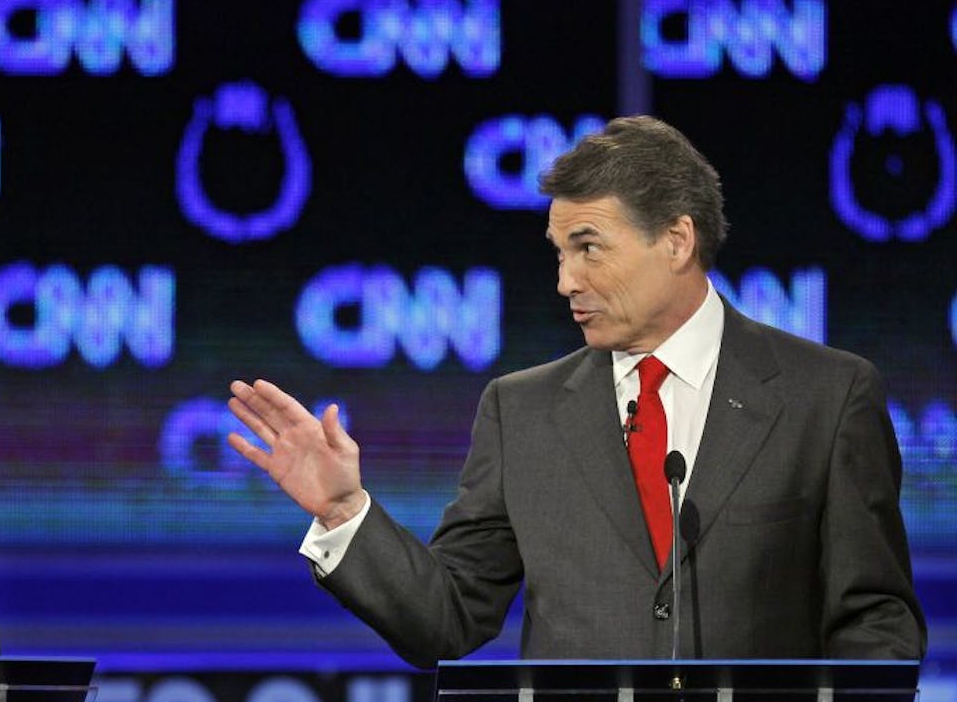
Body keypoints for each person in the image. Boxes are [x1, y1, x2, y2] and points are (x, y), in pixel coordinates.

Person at [228, 115, 926, 669]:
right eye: (559, 252)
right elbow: (447, 617)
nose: (566, 280)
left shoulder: (826, 398)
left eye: (589, 248)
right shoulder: (521, 412)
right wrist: (346, 510)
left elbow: (874, 622)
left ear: (677, 240)